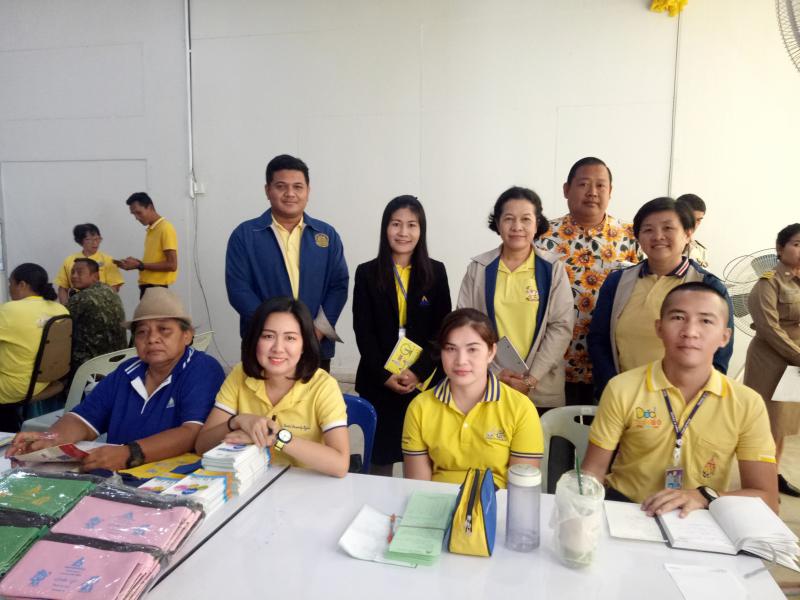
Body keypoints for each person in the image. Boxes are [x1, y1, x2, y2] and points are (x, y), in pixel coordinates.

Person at [582, 283, 778, 516]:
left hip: (702, 516)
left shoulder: (747, 403)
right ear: (659, 328)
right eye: (678, 317)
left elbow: (767, 499)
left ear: (725, 337)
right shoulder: (622, 388)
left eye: (706, 321)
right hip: (628, 509)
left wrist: (705, 496)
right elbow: (592, 472)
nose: (690, 331)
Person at [6, 288, 224, 471]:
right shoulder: (126, 372)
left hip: (174, 481)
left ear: (187, 335)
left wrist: (130, 454)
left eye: (164, 330)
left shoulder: (202, 369)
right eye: (142, 332)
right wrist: (50, 439)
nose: (152, 339)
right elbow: (83, 419)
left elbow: (192, 432)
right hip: (118, 476)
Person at [588, 197, 733, 398]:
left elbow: (720, 354)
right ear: (638, 238)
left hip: (683, 400)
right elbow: (598, 339)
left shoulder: (709, 286)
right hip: (624, 397)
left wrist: (694, 399)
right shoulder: (618, 282)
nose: (658, 236)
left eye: (668, 228)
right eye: (648, 230)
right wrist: (615, 388)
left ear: (688, 233)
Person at [195, 297, 349, 478]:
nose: (278, 348)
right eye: (268, 336)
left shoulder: (323, 386)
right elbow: (202, 446)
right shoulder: (240, 374)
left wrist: (275, 437)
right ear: (255, 340)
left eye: (290, 338)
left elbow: (340, 465)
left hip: (305, 485)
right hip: (250, 482)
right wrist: (237, 421)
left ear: (304, 345)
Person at [353, 196, 451, 473]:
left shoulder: (436, 271)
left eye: (411, 225)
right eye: (396, 224)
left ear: (421, 230)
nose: (403, 232)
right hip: (379, 378)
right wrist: (385, 375)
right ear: (385, 228)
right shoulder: (367, 273)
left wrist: (418, 372)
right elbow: (363, 332)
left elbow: (442, 330)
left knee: (420, 456)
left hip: (423, 379)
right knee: (380, 457)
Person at [225, 154, 349, 371]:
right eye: (281, 186)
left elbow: (338, 286)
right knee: (260, 394)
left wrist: (316, 332)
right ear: (267, 190)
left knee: (315, 393)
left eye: (298, 187)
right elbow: (238, 289)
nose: (290, 193)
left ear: (308, 191)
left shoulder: (326, 235)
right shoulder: (245, 235)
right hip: (265, 347)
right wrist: (275, 335)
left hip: (315, 344)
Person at [535, 157, 641, 406]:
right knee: (555, 429)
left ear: (610, 191)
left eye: (600, 185)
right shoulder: (542, 236)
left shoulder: (632, 236)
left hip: (613, 365)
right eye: (583, 184)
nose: (592, 192)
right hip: (552, 364)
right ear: (566, 189)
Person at [402, 308, 544, 489]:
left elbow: (521, 489)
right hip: (438, 501)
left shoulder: (521, 408)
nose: (461, 360)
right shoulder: (420, 407)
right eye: (451, 349)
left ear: (491, 352)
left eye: (472, 349)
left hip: (497, 504)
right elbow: (418, 486)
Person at [458, 186, 574, 408]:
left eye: (526, 219)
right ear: (497, 223)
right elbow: (466, 326)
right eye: (509, 219)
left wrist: (531, 380)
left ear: (537, 224)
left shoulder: (552, 268)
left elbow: (561, 327)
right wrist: (496, 373)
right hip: (489, 384)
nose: (517, 227)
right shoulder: (479, 268)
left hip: (542, 389)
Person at [744, 223, 800, 497]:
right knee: (767, 423)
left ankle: (773, 476)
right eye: (797, 244)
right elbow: (768, 327)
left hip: (794, 365)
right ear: (780, 248)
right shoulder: (768, 282)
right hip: (771, 360)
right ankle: (759, 483)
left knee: (783, 424)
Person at [0, 264, 69, 431]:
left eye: (10, 283)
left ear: (22, 284)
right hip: (48, 382)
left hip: (14, 388)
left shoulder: (9, 310)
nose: (9, 288)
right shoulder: (61, 309)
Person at [66, 258, 127, 369]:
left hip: (91, 364)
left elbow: (60, 325)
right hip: (119, 360)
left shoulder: (82, 298)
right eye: (72, 272)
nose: (74, 276)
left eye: (79, 272)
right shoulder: (110, 290)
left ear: (95, 276)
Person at [117, 192, 178, 298]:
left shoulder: (165, 228)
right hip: (149, 288)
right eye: (133, 214)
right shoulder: (152, 229)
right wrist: (137, 263)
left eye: (138, 212)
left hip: (156, 290)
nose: (136, 218)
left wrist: (140, 265)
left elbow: (172, 265)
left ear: (150, 207)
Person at [54, 223, 125, 304]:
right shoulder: (69, 260)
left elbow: (114, 286)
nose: (95, 243)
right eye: (89, 240)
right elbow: (63, 288)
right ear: (80, 241)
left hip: (100, 304)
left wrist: (102, 303)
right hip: (75, 304)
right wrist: (66, 308)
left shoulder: (107, 260)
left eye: (97, 239)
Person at [676, 193, 709, 268]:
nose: (694, 225)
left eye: (698, 220)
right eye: (690, 219)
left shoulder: (700, 250)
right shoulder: (661, 244)